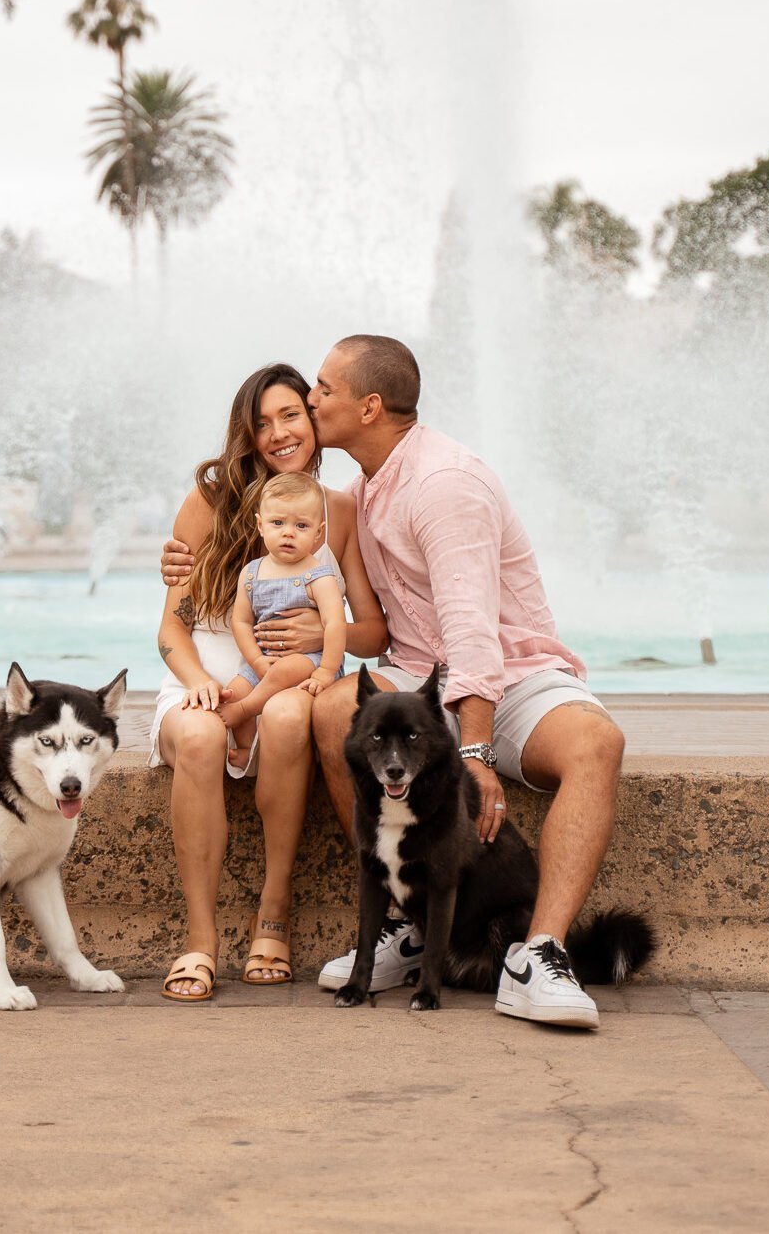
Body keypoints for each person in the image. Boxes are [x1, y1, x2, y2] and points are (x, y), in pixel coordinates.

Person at [162, 337, 626, 1029]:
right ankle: (408, 925)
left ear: (368, 407)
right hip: (416, 676)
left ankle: (540, 952)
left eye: (320, 390)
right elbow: (318, 583)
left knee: (596, 742)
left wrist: (471, 752)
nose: (311, 403)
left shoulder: (443, 485)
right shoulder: (358, 491)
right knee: (329, 714)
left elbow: (472, 634)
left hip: (511, 669)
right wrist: (183, 560)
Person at [150, 363, 387, 1002]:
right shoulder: (209, 503)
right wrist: (200, 682)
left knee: (287, 718)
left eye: (291, 416)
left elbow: (372, 633)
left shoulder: (337, 512)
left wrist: (317, 637)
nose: (280, 433)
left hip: (286, 686)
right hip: (205, 683)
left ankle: (272, 917)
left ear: (313, 422)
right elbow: (171, 634)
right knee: (200, 738)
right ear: (246, 435)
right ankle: (200, 943)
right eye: (262, 423)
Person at [216, 472, 347, 770]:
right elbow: (241, 622)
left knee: (283, 671)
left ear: (318, 533)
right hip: (264, 659)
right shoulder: (251, 573)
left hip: (310, 660)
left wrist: (326, 670)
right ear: (261, 525)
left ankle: (246, 710)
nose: (288, 533)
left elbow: (335, 624)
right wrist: (257, 662)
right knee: (233, 691)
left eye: (301, 525)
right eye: (278, 523)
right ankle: (250, 747)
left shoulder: (318, 575)